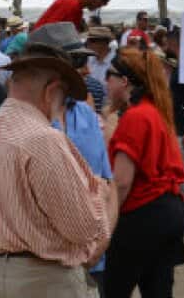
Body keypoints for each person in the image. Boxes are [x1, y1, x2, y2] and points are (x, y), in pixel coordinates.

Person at [0, 42, 114, 297]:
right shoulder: (44, 139)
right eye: (64, 99)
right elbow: (83, 228)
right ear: (52, 91)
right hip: (44, 280)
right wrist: (99, 194)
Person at [28, 22, 118, 291]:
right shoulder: (20, 121)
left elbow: (108, 186)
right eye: (78, 62)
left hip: (92, 261)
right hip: (41, 265)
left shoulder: (87, 115)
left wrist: (104, 240)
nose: (88, 70)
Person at [103, 47, 184, 298]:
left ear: (125, 81)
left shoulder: (136, 117)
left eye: (110, 75)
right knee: (158, 291)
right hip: (167, 212)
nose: (106, 81)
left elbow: (121, 182)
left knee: (114, 290)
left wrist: (106, 227)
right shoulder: (155, 111)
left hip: (143, 215)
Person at [34, 0, 112, 31]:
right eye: (100, 4)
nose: (99, 7)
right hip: (39, 49)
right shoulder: (71, 4)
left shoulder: (78, 10)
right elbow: (49, 31)